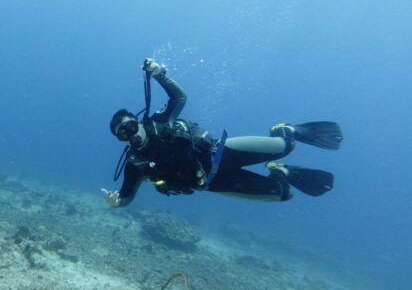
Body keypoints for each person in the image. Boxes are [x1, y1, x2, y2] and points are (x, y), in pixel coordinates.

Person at [101, 58, 343, 207]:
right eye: (123, 134)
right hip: (215, 182)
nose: (130, 134)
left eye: (131, 127)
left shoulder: (159, 123)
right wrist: (117, 203)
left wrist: (160, 75)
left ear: (139, 122)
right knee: (283, 194)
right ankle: (282, 173)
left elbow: (180, 97)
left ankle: (286, 131)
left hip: (223, 153)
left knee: (287, 147)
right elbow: (126, 195)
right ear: (121, 141)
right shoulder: (135, 164)